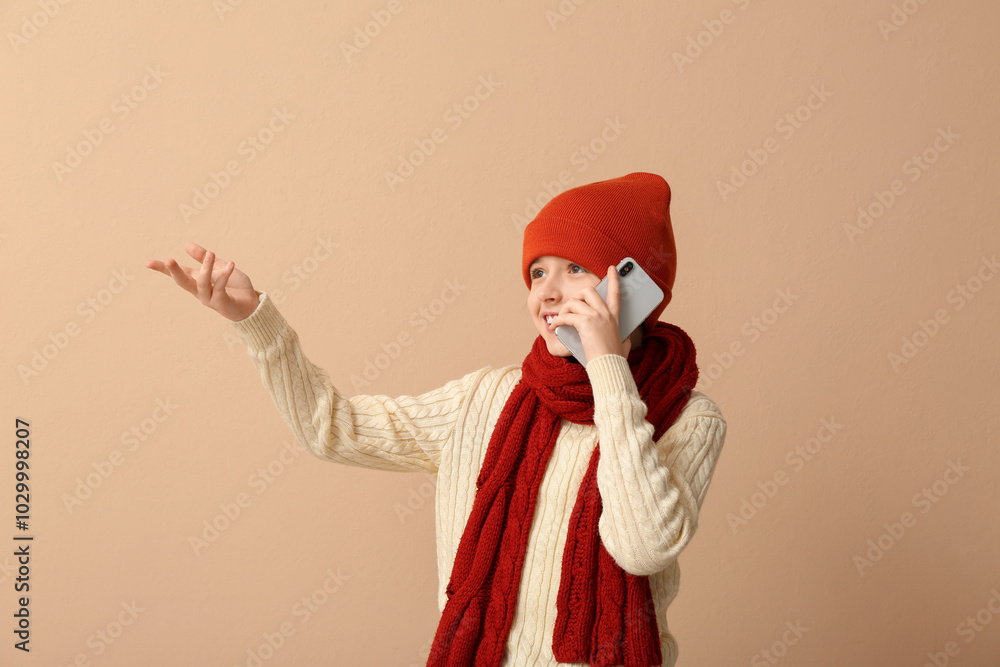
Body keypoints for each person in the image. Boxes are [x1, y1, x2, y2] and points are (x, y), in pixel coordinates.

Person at [146, 172, 727, 667]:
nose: (547, 294)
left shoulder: (688, 419)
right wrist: (255, 321)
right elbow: (333, 427)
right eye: (536, 273)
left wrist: (606, 367)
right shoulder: (485, 398)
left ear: (635, 288)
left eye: (574, 268)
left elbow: (643, 547)